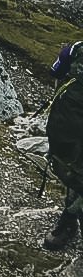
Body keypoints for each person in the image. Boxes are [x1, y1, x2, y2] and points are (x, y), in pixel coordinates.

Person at [44, 38, 83, 251]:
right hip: (73, 130)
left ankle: (67, 222)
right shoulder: (75, 51)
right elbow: (58, 78)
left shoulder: (75, 50)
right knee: (75, 176)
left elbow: (56, 77)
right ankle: (68, 221)